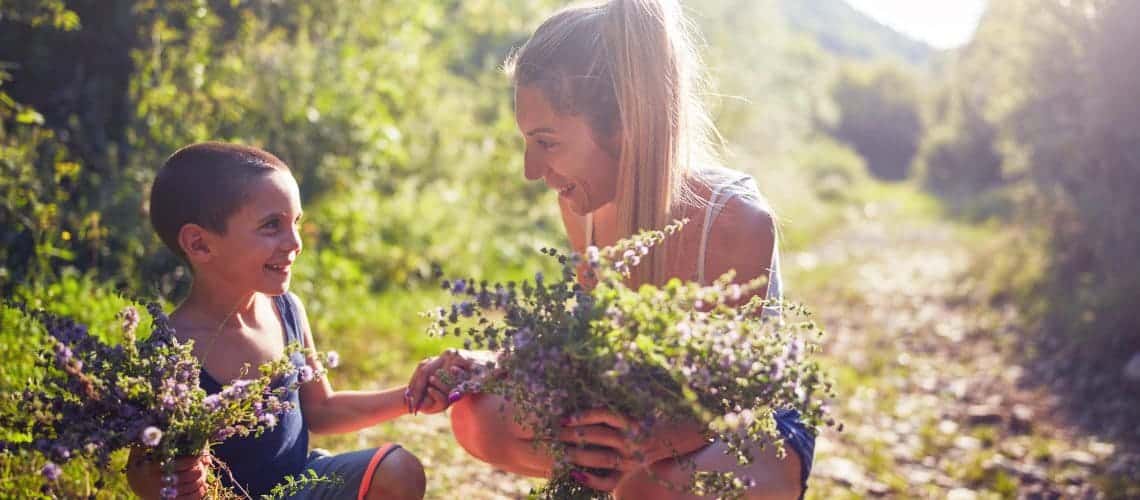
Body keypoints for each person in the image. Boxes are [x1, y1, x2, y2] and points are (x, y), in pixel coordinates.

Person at [444, 0, 814, 498]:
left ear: (624, 125)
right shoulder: (581, 204)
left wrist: (639, 446)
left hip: (748, 420)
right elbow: (592, 343)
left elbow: (734, 397)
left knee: (645, 489)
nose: (531, 170)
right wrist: (501, 361)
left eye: (547, 142)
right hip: (637, 397)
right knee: (478, 417)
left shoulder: (736, 223)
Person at [127, 142, 456, 499]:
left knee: (399, 469)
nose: (295, 242)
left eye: (296, 222)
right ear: (200, 244)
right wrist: (166, 481)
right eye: (272, 225)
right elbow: (142, 467)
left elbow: (321, 409)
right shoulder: (171, 350)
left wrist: (411, 397)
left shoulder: (286, 309)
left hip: (300, 485)